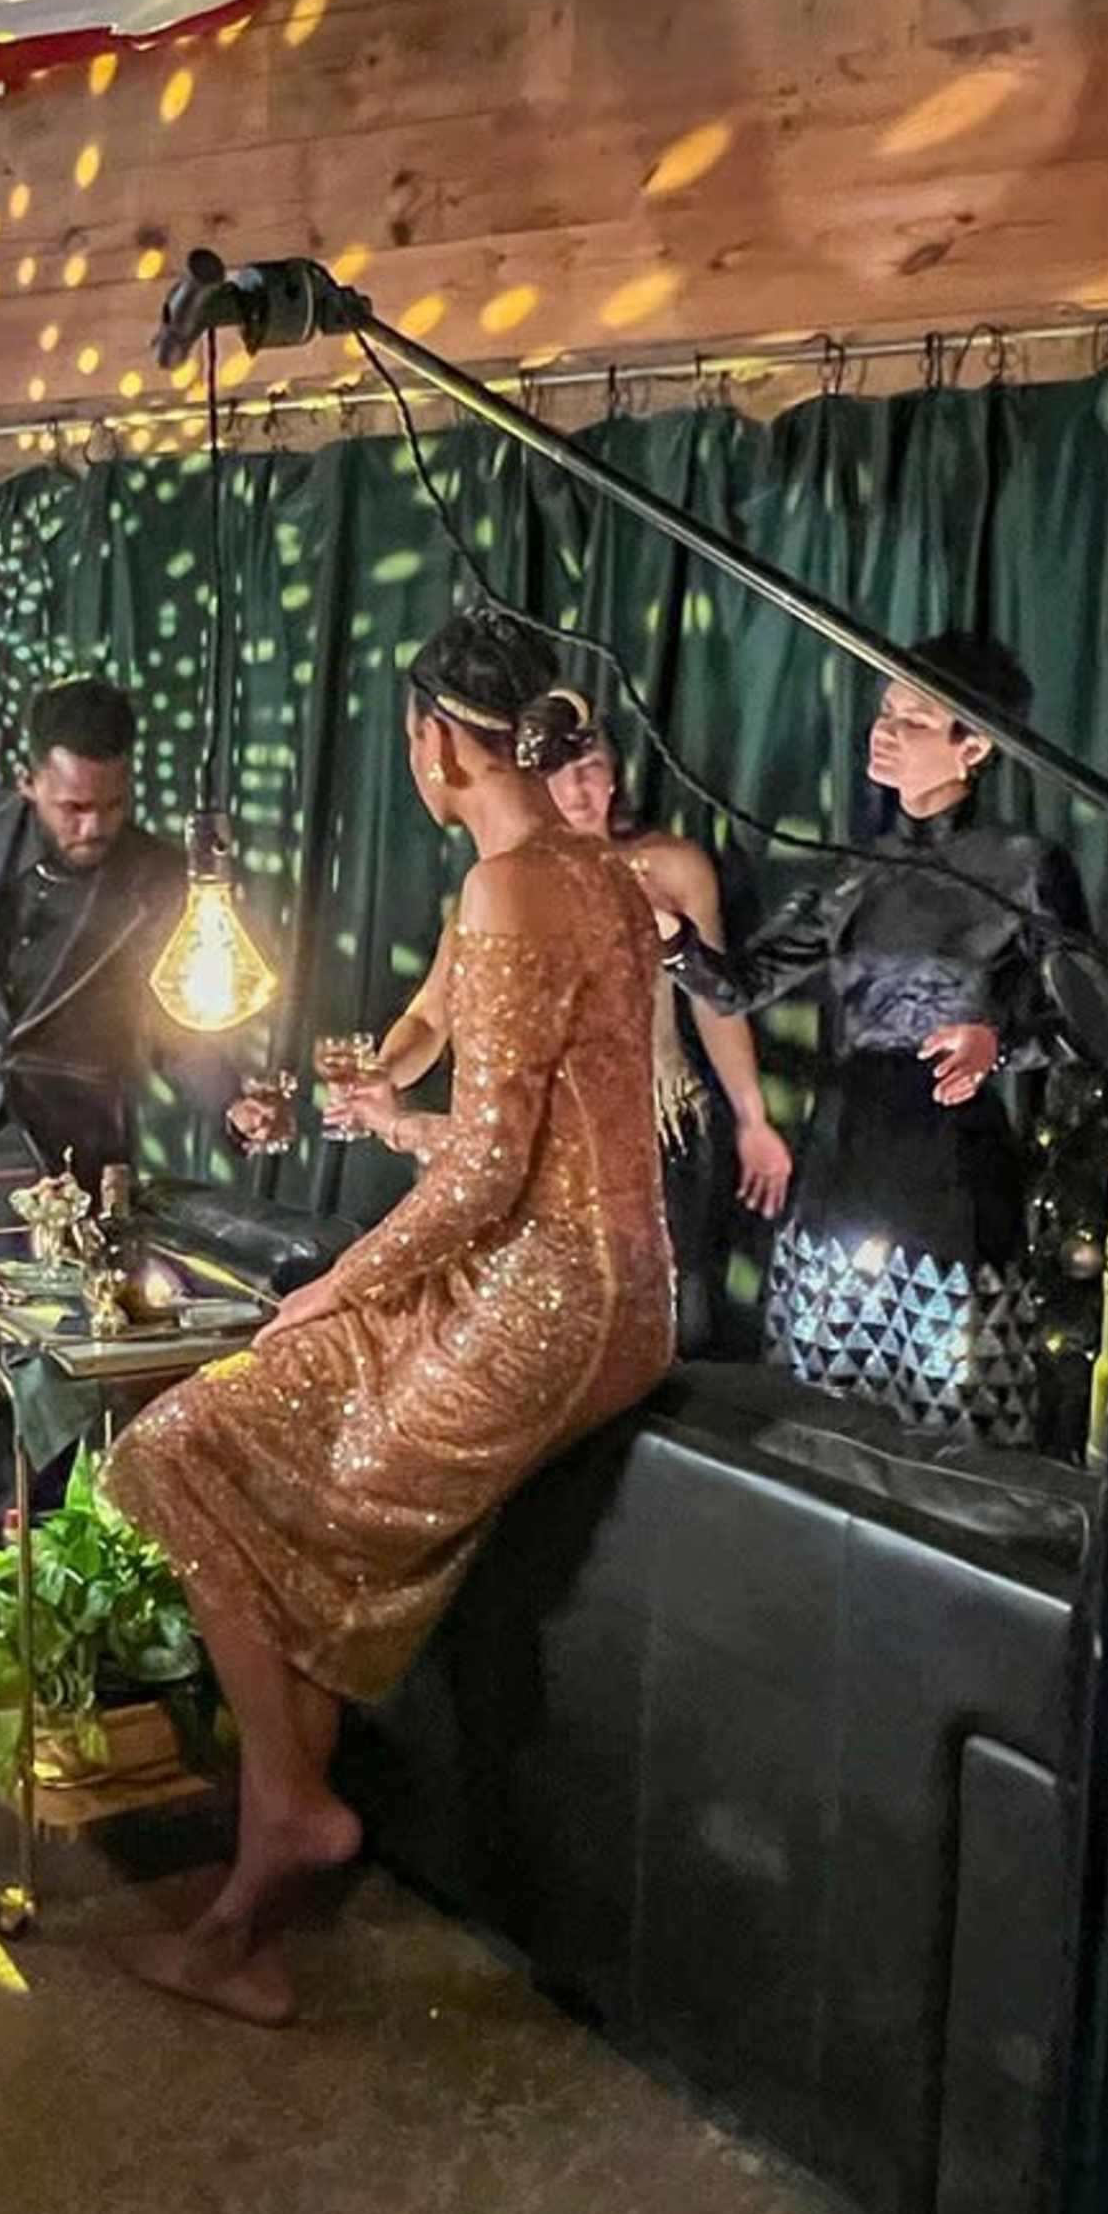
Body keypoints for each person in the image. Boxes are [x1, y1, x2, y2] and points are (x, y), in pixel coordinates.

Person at [103, 613, 680, 2026]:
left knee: (182, 1449)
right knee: (212, 1444)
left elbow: (485, 1170)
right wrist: (324, 1092)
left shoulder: (521, 891)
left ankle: (283, 1827)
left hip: (559, 1292)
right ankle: (262, 1890)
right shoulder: (573, 870)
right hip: (565, 1277)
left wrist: (341, 1285)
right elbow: (430, 1029)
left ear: (432, 742)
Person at [255, 727, 792, 1350]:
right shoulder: (498, 888)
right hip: (542, 1147)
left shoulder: (672, 867)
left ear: (616, 773)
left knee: (669, 1320)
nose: (580, 786)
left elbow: (717, 999)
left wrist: (753, 1116)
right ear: (533, 784)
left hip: (655, 1133)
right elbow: (431, 1017)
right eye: (561, 772)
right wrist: (384, 1073)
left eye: (593, 766)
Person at [695, 634, 1090, 1447]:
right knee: (818, 1411)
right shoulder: (856, 870)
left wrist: (1000, 1044)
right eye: (885, 712)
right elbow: (735, 986)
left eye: (914, 720)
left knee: (956, 1417)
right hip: (842, 1168)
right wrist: (668, 941)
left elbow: (1094, 1025)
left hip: (951, 1176)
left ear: (974, 747)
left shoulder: (1024, 867)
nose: (885, 730)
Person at [0, 674, 187, 1596]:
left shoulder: (160, 876)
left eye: (112, 804)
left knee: (49, 1379)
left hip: (72, 1154)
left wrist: (231, 1098)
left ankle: (38, 1585)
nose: (94, 826)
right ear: (28, 782)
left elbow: (179, 1020)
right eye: (73, 807)